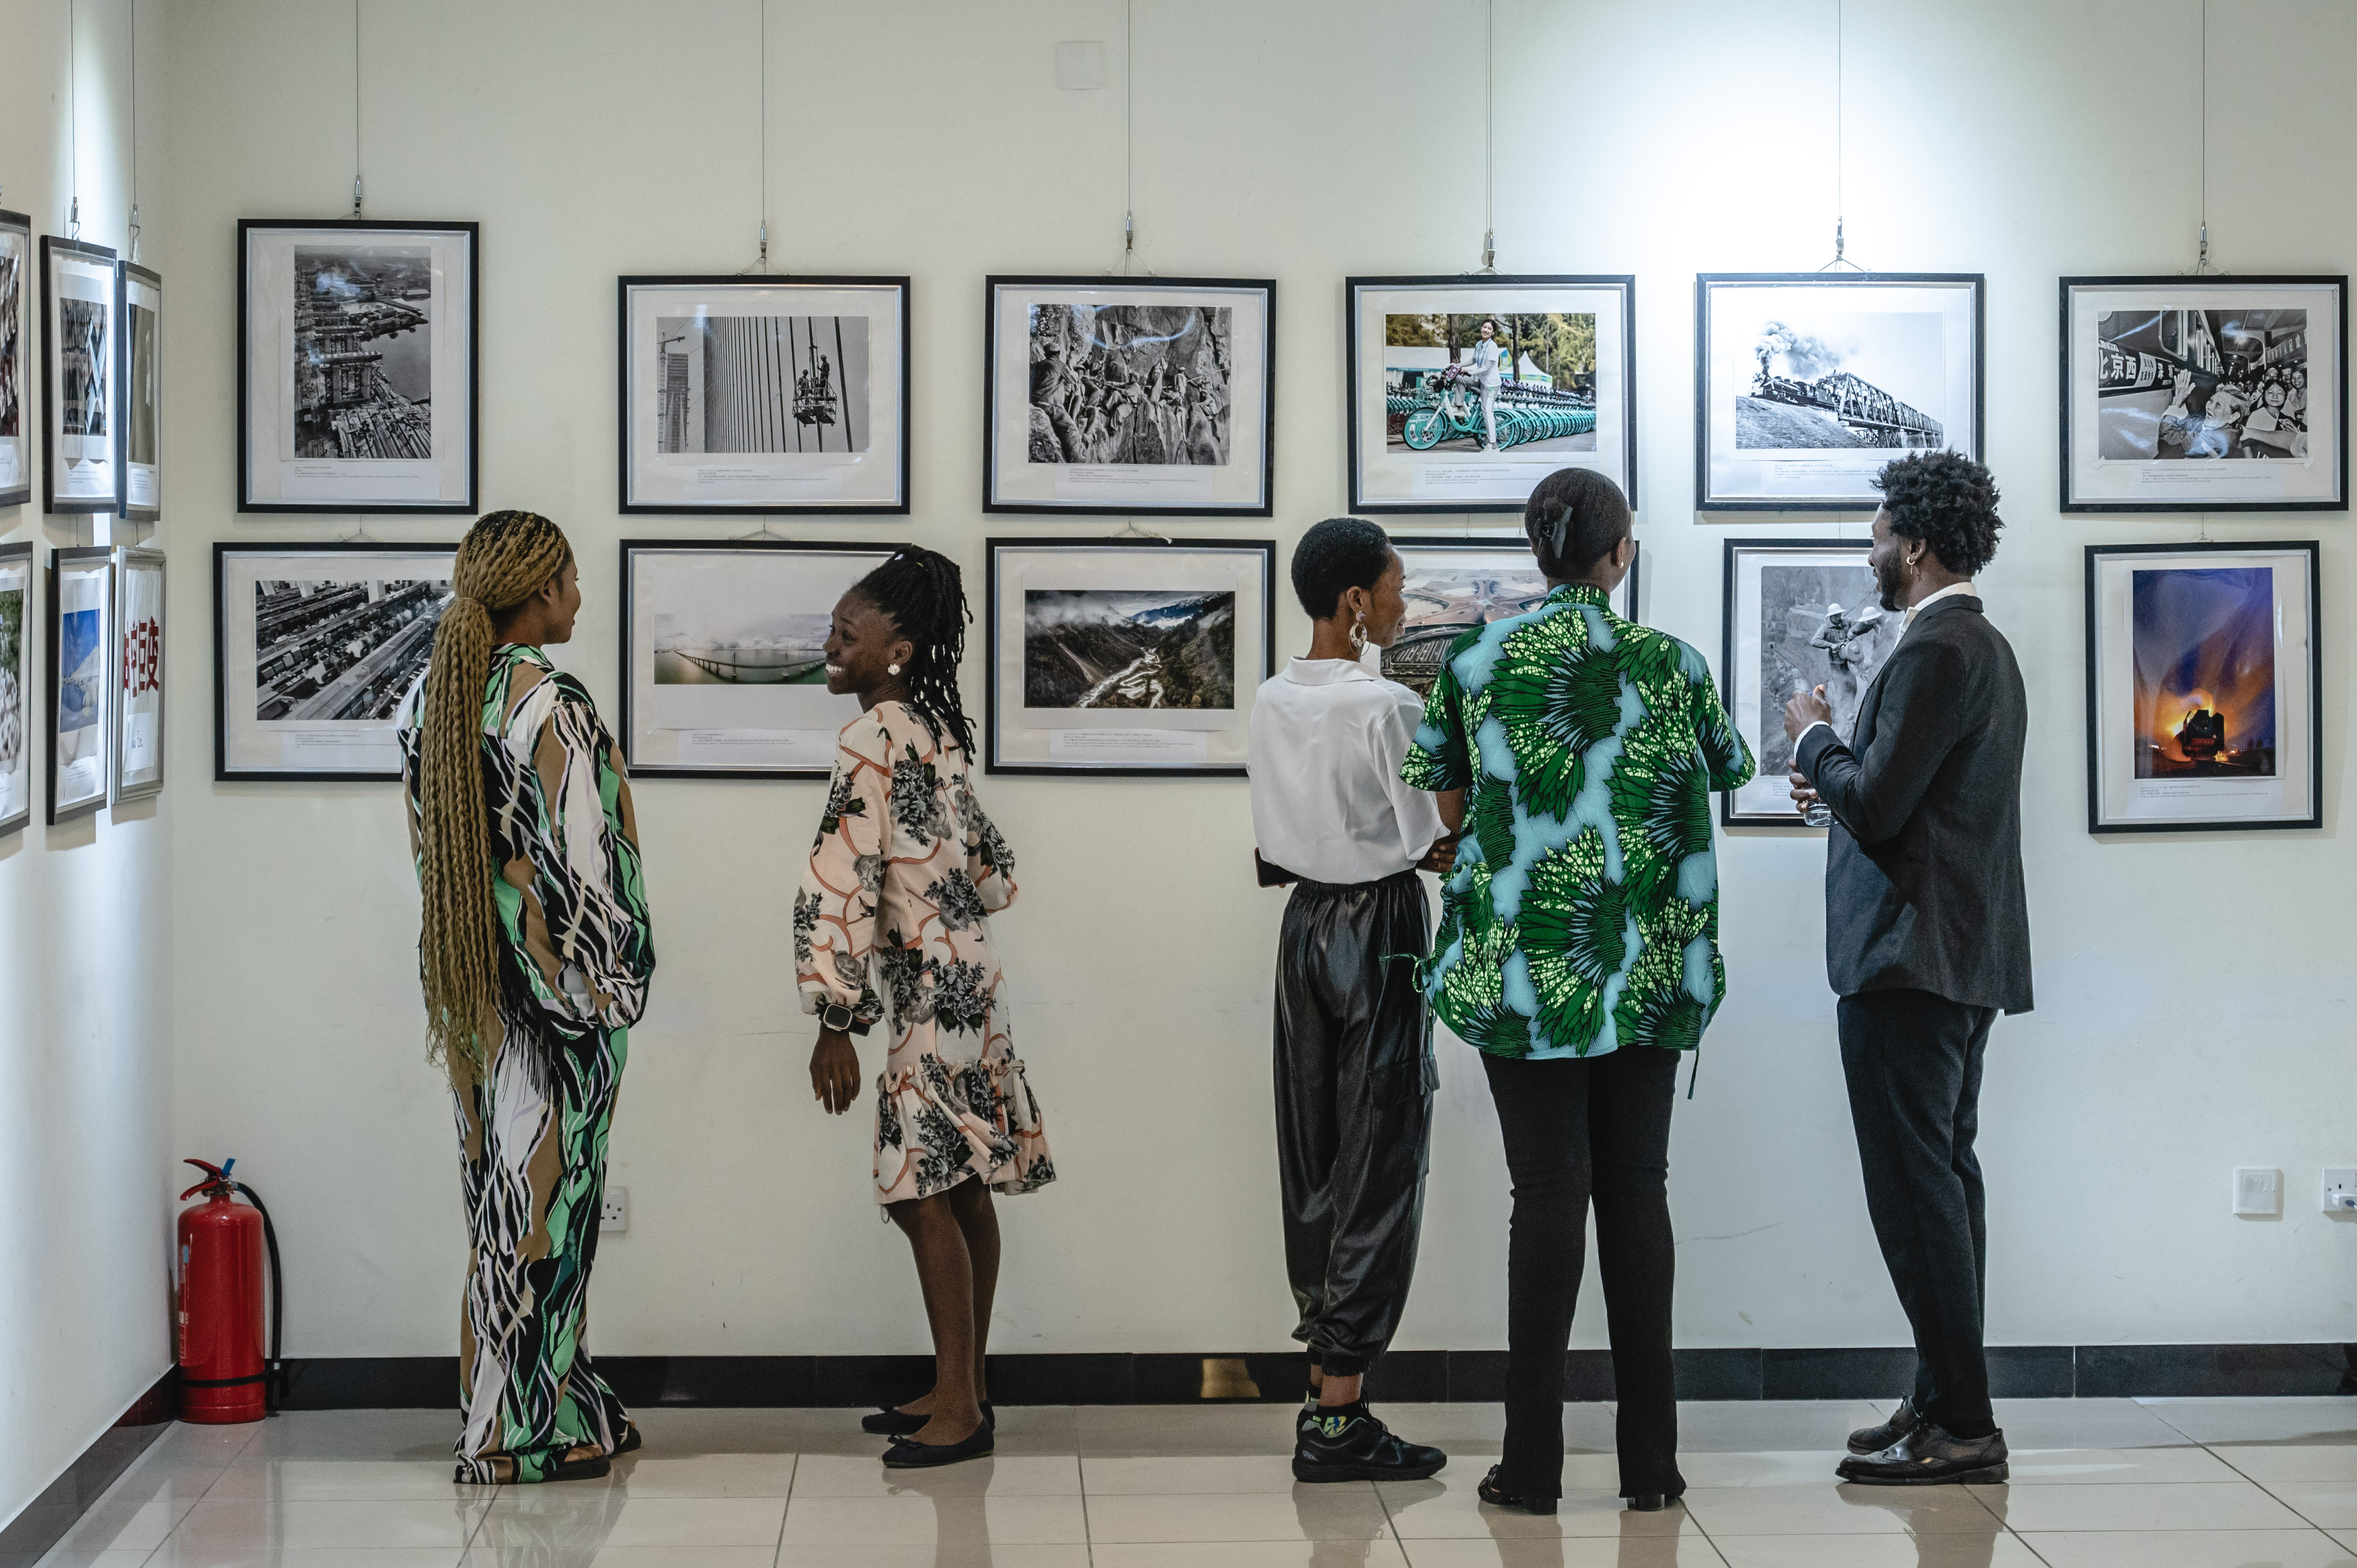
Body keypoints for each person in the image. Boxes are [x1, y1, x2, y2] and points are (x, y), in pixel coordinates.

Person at [1402, 468, 1754, 1516]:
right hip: (1647, 969)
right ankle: (1651, 1468)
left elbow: (1446, 797)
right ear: (1620, 555)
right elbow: (1725, 771)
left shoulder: (1474, 660)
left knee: (1545, 1197)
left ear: (1535, 549)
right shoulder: (1673, 663)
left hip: (1525, 976)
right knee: (1635, 1193)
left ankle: (1533, 1468)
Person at [1782, 450, 2032, 1487]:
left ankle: (1962, 1422)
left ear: (1916, 544)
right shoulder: (1980, 646)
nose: (1870, 548)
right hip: (1953, 956)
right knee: (1943, 1183)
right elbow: (1903, 800)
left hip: (1907, 961)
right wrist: (1840, 780)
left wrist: (1813, 746)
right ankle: (1938, 1397)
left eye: (1878, 532)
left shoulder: (1936, 651)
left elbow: (1879, 804)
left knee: (1915, 1192)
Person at [397, 510, 655, 1485]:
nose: (580, 597)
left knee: (502, 1207)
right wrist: (614, 984)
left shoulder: (427, 696)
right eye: (573, 581)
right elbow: (592, 859)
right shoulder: (550, 703)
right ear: (540, 591)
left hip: (471, 991)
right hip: (557, 1002)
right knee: (550, 1210)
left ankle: (538, 1400)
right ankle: (518, 1435)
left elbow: (429, 852)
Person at [797, 547, 1053, 1470]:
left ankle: (958, 1405)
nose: (828, 646)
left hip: (920, 985)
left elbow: (838, 876)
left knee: (921, 1191)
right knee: (961, 1184)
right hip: (967, 980)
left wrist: (832, 1017)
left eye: (844, 633)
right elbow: (992, 871)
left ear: (897, 650)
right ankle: (963, 1386)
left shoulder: (871, 738)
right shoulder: (935, 731)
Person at [1249, 517, 1456, 1485]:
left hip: (1301, 928)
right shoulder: (1384, 706)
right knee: (1382, 1149)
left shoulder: (1268, 699)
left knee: (1315, 1151)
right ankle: (1338, 1414)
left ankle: (1323, 1381)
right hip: (1379, 931)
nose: (1404, 605)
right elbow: (1431, 838)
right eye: (1396, 587)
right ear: (1354, 604)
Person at [1465, 318, 1505, 450]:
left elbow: (1487, 367)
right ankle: (1459, 406)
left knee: (1487, 411)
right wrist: (1458, 365)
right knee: (1459, 379)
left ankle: (1493, 445)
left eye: (1489, 329)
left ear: (1493, 333)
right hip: (1482, 382)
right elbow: (1473, 360)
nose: (1486, 330)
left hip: (1491, 384)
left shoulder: (1493, 347)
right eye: (1484, 327)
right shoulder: (1479, 344)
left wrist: (1472, 372)